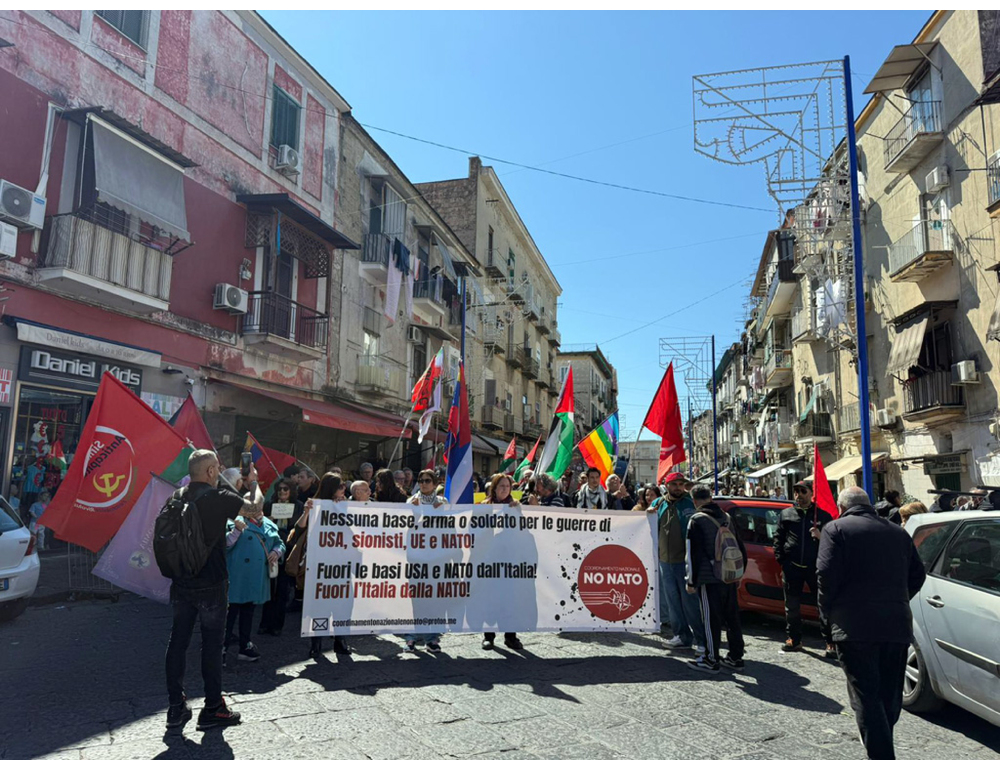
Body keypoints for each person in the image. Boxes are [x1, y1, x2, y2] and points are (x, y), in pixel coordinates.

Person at [816, 487, 926, 761]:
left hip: (853, 627)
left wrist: (826, 620)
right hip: (895, 625)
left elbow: (825, 577)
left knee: (866, 695)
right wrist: (897, 600)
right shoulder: (897, 532)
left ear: (842, 507)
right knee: (889, 695)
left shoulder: (835, 529)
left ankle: (881, 757)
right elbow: (918, 575)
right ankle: (882, 743)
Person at [165, 450, 261, 731]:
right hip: (212, 584)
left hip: (182, 581)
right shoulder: (219, 497)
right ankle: (212, 708)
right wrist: (253, 482)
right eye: (217, 469)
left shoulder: (176, 496)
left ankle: (175, 706)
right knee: (211, 646)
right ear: (209, 472)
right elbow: (254, 509)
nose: (219, 474)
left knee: (177, 642)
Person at [223, 468, 285, 665]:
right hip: (237, 576)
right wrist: (236, 533)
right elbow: (225, 544)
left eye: (259, 507)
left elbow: (279, 542)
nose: (257, 510)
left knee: (249, 612)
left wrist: (277, 552)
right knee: (230, 613)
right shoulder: (235, 521)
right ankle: (222, 647)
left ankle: (245, 644)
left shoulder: (268, 523)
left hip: (256, 576)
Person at [685, 484, 747, 673]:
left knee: (711, 619)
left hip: (708, 577)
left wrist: (691, 580)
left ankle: (711, 659)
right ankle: (736, 656)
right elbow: (739, 545)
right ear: (710, 498)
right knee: (732, 617)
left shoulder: (696, 520)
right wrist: (738, 573)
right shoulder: (726, 517)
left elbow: (692, 553)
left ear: (694, 500)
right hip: (728, 575)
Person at [772, 480, 835, 657]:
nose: (799, 495)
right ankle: (794, 639)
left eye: (803, 491)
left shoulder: (823, 516)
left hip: (816, 568)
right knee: (791, 605)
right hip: (792, 568)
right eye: (796, 491)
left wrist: (820, 536)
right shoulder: (786, 514)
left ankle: (830, 642)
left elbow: (832, 544)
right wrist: (782, 559)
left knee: (823, 605)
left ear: (811, 493)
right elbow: (778, 538)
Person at [296, 474, 353, 659]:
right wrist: (306, 512)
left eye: (344, 485)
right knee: (318, 604)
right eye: (341, 485)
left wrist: (345, 508)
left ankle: (340, 640)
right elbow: (298, 529)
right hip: (319, 563)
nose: (344, 488)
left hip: (342, 563)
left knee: (342, 603)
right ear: (331, 487)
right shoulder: (316, 504)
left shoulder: (346, 505)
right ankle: (316, 643)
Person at [653, 472, 706, 651]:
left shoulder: (691, 503)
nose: (678, 487)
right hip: (665, 562)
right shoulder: (658, 504)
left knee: (690, 603)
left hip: (685, 562)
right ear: (667, 486)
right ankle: (681, 636)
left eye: (681, 484)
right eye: (674, 484)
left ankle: (701, 640)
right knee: (672, 602)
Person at [403, 470, 447, 652]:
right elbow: (405, 526)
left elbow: (450, 527)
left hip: (436, 558)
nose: (424, 484)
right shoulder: (411, 501)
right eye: (421, 481)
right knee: (416, 598)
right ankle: (412, 637)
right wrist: (413, 511)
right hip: (416, 557)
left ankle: (432, 638)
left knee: (434, 599)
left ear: (435, 483)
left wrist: (440, 511)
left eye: (428, 480)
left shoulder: (443, 502)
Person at [481, 474, 524, 651]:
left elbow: (524, 530)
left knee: (510, 599)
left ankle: (510, 636)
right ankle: (488, 637)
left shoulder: (516, 506)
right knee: (490, 599)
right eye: (501, 486)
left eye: (507, 486)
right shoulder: (485, 506)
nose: (505, 489)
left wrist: (518, 511)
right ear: (494, 488)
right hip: (490, 560)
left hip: (510, 560)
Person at [259, 481, 302, 636]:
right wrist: (268, 519)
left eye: (286, 488)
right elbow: (260, 524)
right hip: (270, 549)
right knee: (268, 588)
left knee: (282, 589)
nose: (282, 491)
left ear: (291, 491)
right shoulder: (269, 505)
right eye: (279, 489)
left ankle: (277, 625)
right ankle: (265, 623)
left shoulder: (297, 505)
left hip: (288, 549)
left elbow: (298, 527)